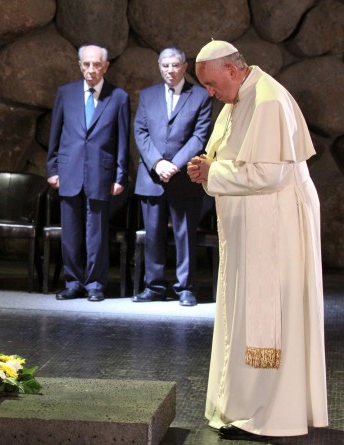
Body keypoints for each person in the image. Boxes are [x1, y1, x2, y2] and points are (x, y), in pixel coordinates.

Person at [187, 40, 327, 440]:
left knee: (271, 317)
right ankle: (243, 405)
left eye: (212, 84)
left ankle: (270, 414)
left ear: (233, 70)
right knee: (243, 311)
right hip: (253, 223)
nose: (210, 93)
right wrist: (207, 167)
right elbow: (227, 155)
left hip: (276, 225)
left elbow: (270, 174)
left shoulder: (266, 101)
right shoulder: (238, 99)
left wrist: (212, 174)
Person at [46, 44, 130, 303]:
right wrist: (52, 168)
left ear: (105, 66)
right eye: (86, 64)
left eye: (96, 64)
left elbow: (123, 141)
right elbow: (56, 133)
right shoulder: (66, 93)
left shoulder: (119, 97)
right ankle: (73, 282)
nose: (91, 69)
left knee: (96, 233)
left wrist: (120, 175)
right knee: (70, 232)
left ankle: (94, 283)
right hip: (70, 170)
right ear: (79, 65)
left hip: (100, 173)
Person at [132, 47, 212, 307]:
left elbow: (200, 136)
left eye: (175, 65)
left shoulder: (200, 95)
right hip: (152, 177)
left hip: (183, 177)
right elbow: (141, 131)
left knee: (184, 234)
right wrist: (157, 163)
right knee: (153, 234)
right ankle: (154, 285)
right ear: (159, 66)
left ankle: (185, 288)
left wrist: (174, 165)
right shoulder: (147, 95)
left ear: (185, 67)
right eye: (165, 65)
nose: (170, 70)